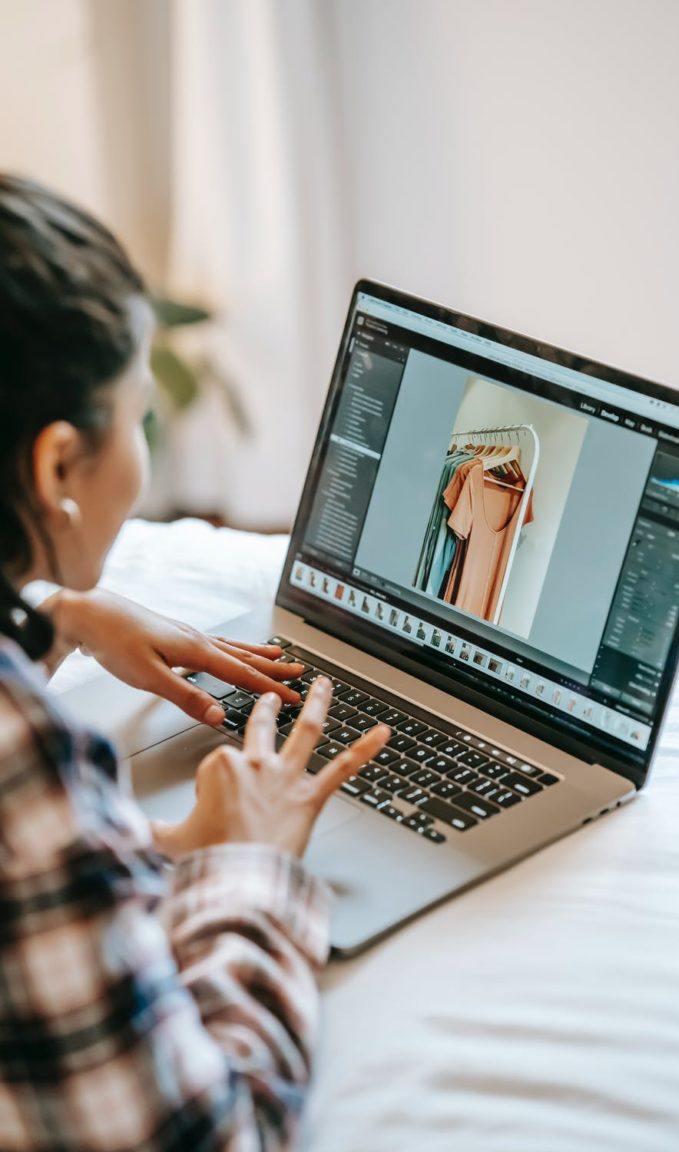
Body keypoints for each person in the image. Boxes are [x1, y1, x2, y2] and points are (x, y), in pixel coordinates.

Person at [0, 174, 390, 1150]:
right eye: (136, 414)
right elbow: (209, 1136)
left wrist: (54, 620)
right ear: (56, 470)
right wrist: (243, 863)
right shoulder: (25, 766)